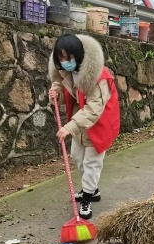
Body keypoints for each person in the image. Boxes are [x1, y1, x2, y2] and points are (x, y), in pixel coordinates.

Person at [48, 34, 120, 220]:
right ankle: (92, 189)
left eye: (68, 57)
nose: (65, 62)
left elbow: (94, 108)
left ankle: (87, 198)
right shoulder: (66, 72)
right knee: (77, 156)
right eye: (61, 58)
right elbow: (69, 94)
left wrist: (70, 127)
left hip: (99, 122)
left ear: (78, 55)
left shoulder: (99, 76)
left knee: (91, 162)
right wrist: (57, 93)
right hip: (80, 122)